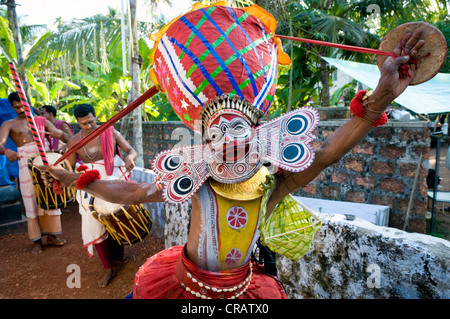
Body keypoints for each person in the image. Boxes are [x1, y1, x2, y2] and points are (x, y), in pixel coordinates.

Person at [39, 4, 425, 299]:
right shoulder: (194, 177)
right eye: (218, 130)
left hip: (245, 290)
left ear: (257, 133)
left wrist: (382, 95)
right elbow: (133, 193)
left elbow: (326, 152)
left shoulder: (273, 181)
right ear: (205, 142)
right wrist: (77, 180)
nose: (228, 137)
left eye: (237, 127)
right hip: (182, 284)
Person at [65, 103, 137, 287]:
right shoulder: (74, 141)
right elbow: (70, 169)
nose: (88, 126)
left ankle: (118, 257)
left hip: (113, 179)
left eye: (91, 121)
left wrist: (130, 158)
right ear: (78, 123)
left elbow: (131, 150)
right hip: (89, 184)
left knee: (115, 217)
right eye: (83, 124)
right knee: (95, 223)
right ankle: (108, 268)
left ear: (96, 116)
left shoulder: (110, 132)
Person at [0, 91, 70, 253]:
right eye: (16, 107)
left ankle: (52, 235)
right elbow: (0, 145)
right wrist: (6, 151)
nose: (21, 109)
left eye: (23, 105)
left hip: (45, 162)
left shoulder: (42, 121)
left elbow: (65, 138)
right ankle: (36, 239)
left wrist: (60, 134)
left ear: (29, 103)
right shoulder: (8, 124)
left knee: (50, 196)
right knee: (30, 200)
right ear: (12, 107)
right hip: (25, 165)